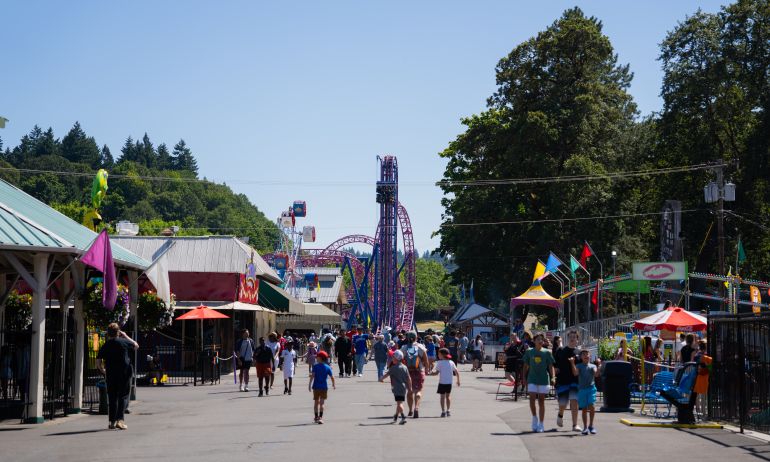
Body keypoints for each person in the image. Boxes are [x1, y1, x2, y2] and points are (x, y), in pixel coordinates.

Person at [96, 323, 139, 430]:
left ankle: (112, 422)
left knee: (112, 397)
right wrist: (125, 336)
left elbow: (98, 361)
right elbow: (136, 345)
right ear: (118, 332)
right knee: (123, 396)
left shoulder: (106, 345)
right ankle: (120, 420)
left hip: (111, 374)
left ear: (108, 333)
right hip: (124, 373)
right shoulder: (124, 342)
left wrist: (103, 370)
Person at [521, 333, 555, 433]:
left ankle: (541, 423)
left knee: (541, 401)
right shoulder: (529, 352)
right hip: (532, 378)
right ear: (534, 341)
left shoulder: (547, 352)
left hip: (544, 379)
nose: (540, 341)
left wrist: (553, 377)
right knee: (532, 399)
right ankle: (534, 418)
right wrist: (523, 378)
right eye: (538, 339)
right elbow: (525, 366)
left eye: (541, 339)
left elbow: (550, 366)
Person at [554, 330, 581, 432]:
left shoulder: (579, 353)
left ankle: (575, 425)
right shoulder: (560, 351)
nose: (572, 338)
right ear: (568, 338)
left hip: (575, 380)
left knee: (574, 402)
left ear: (577, 340)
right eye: (570, 336)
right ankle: (560, 414)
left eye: (574, 337)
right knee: (563, 404)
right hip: (562, 380)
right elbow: (554, 365)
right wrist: (554, 372)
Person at [571, 350, 600, 435]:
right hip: (582, 389)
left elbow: (596, 374)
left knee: (592, 406)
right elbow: (575, 373)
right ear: (581, 357)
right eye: (583, 354)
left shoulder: (593, 366)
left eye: (587, 354)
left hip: (591, 389)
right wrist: (572, 363)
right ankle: (585, 427)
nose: (586, 355)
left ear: (590, 356)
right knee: (584, 409)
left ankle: (591, 425)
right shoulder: (579, 366)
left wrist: (599, 365)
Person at [401, 331, 430, 418]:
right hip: (419, 371)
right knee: (418, 391)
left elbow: (400, 359)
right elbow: (426, 361)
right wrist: (427, 370)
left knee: (410, 391)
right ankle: (416, 408)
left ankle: (410, 410)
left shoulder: (404, 347)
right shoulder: (421, 347)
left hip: (408, 372)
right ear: (416, 338)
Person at [380, 349, 412, 424]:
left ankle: (403, 417)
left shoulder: (393, 368)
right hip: (403, 387)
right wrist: (410, 388)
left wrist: (381, 379)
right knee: (399, 402)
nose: (392, 359)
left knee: (399, 403)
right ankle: (396, 416)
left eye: (393, 357)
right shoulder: (405, 367)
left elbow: (387, 374)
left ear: (396, 359)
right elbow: (409, 378)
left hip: (396, 388)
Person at [429, 348, 460, 417]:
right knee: (448, 396)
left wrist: (430, 373)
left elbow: (436, 373)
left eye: (439, 354)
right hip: (449, 383)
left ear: (442, 355)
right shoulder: (451, 362)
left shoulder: (439, 363)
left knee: (442, 397)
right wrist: (458, 380)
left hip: (442, 383)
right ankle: (448, 410)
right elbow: (456, 372)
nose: (438, 355)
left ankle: (443, 411)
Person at [309, 350, 335, 424]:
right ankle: (321, 417)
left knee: (316, 402)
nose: (316, 358)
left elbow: (312, 376)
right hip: (324, 387)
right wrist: (333, 384)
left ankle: (316, 417)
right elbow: (332, 377)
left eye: (317, 357)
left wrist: (309, 384)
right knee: (322, 403)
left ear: (320, 358)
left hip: (316, 387)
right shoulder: (328, 367)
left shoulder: (315, 366)